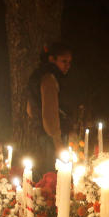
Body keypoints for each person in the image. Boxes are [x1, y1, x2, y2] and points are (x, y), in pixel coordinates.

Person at [25, 42, 72, 173]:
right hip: (52, 138)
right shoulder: (49, 79)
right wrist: (58, 142)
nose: (68, 66)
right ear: (52, 59)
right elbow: (50, 113)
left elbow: (30, 109)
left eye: (69, 62)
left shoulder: (37, 76)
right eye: (64, 61)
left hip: (41, 135)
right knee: (54, 178)